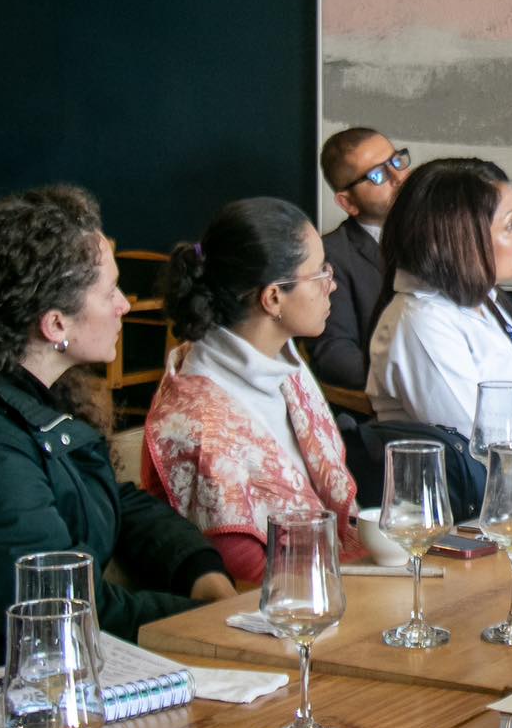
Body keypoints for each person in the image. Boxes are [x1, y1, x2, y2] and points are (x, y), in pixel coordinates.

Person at [0, 186, 235, 674]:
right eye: (110, 291)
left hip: (60, 666)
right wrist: (214, 622)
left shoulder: (20, 388)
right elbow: (65, 610)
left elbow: (113, 497)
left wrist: (199, 568)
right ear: (53, 324)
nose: (124, 306)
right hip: (0, 693)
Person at [311, 126, 512, 414]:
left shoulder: (441, 241)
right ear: (347, 202)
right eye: (377, 175)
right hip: (406, 416)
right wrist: (409, 375)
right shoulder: (334, 256)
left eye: (396, 160)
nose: (398, 177)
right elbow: (334, 355)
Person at [143, 198, 365, 585]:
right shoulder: (201, 421)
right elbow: (249, 578)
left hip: (329, 578)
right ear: (273, 297)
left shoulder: (280, 363)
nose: (332, 285)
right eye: (319, 273)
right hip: (280, 609)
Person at [366, 158, 512, 478]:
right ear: (461, 242)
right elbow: (486, 456)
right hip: (488, 512)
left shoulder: (482, 301)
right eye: (511, 223)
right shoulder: (421, 324)